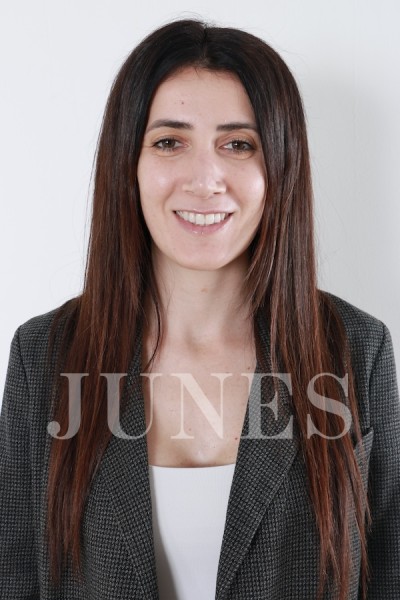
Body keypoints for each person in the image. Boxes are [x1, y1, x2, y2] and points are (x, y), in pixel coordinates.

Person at [0, 18, 399, 600]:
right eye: (170, 142)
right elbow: (13, 577)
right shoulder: (44, 356)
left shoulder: (355, 352)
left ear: (280, 166)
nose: (205, 179)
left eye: (238, 144)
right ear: (128, 163)